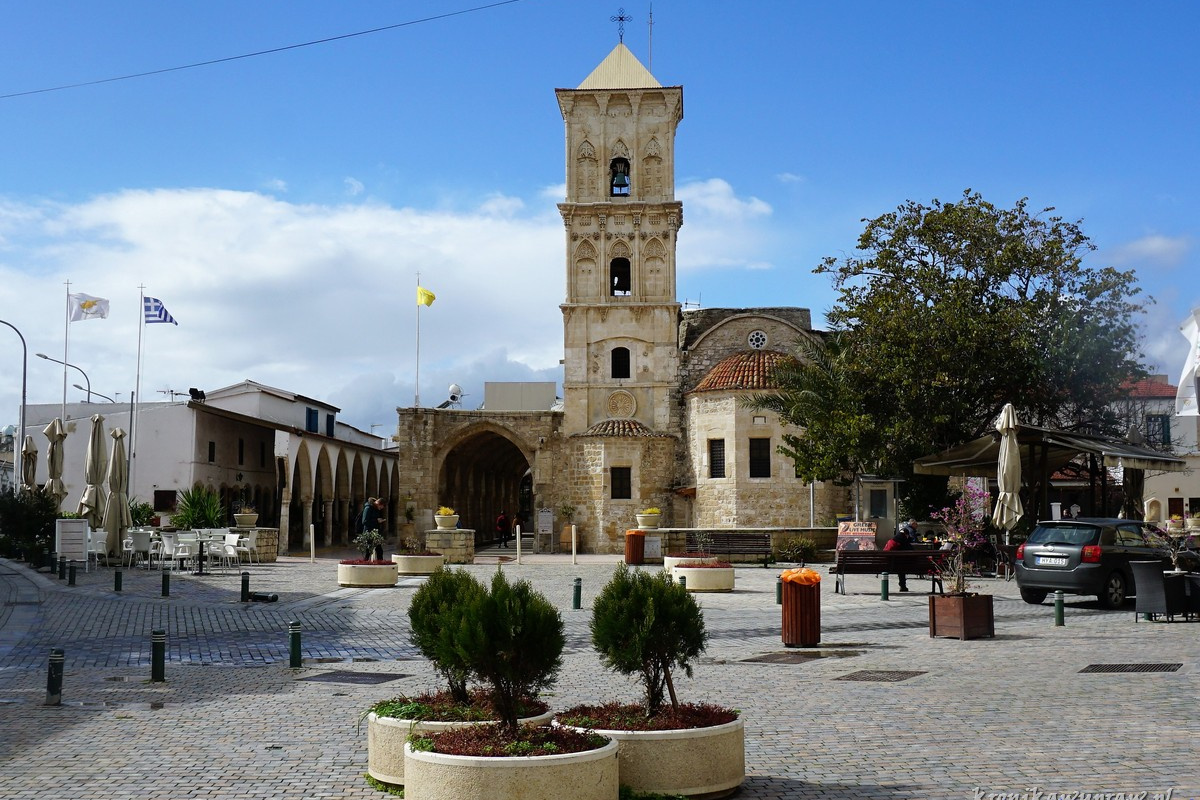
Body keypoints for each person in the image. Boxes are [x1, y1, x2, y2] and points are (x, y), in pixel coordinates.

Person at [884, 526, 914, 591]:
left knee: (901, 565)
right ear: (906, 535)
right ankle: (903, 586)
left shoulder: (893, 540)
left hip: (887, 564)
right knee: (902, 566)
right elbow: (911, 550)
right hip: (897, 565)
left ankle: (902, 586)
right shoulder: (904, 541)